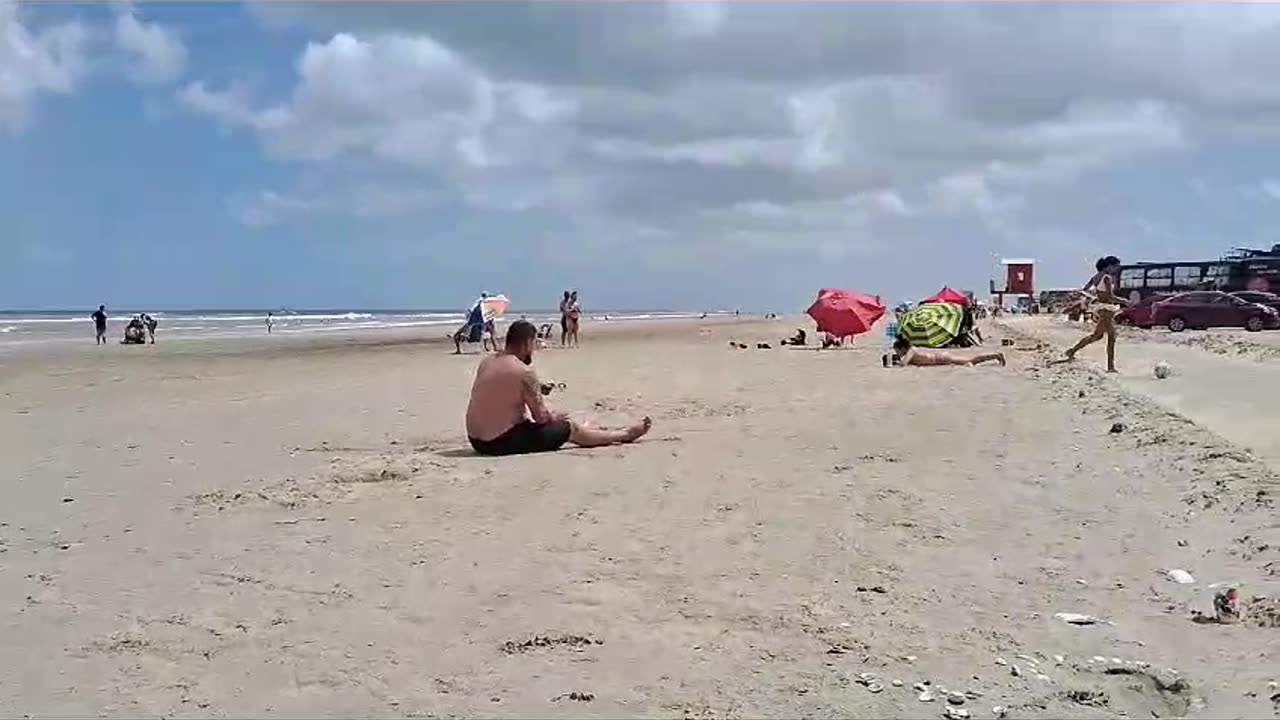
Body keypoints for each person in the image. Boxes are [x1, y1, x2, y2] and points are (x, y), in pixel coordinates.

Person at [466, 320, 652, 456]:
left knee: (560, 423)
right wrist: (557, 417)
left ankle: (588, 429)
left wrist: (537, 387)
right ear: (526, 343)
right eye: (534, 343)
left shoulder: (488, 361)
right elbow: (541, 419)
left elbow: (500, 386)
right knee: (568, 426)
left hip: (476, 440)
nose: (535, 348)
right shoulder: (524, 372)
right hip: (498, 442)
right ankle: (624, 435)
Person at [1058, 256, 1127, 373]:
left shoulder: (1096, 277)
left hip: (1101, 307)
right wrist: (1124, 301)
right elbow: (1110, 296)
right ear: (1109, 266)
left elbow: (1085, 289)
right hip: (1107, 308)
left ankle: (1072, 351)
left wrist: (1094, 297)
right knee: (1112, 336)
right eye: (1116, 266)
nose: (1117, 269)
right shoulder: (1107, 278)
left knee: (1097, 335)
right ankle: (1110, 367)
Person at [892, 335, 1005, 367]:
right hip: (941, 358)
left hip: (941, 358)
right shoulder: (910, 352)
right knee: (971, 360)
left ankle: (996, 355)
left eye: (897, 351)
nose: (897, 353)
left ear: (902, 348)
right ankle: (995, 356)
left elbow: (903, 364)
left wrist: (895, 362)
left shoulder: (911, 351)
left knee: (972, 360)